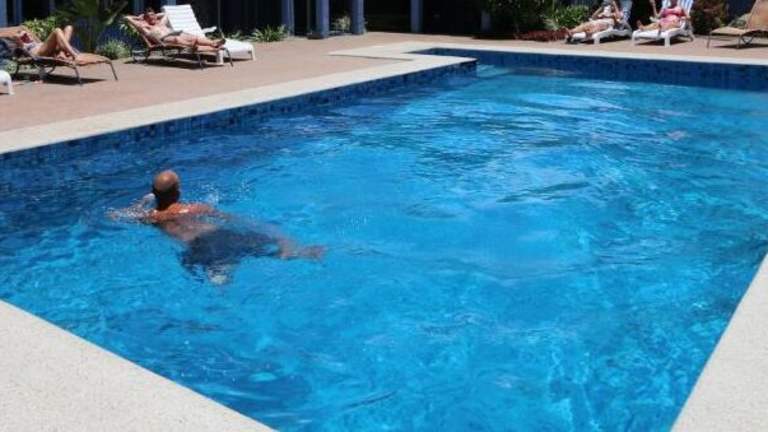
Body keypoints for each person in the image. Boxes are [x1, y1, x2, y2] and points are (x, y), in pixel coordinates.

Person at [116, 170, 324, 284]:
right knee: (256, 247)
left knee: (217, 271)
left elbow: (115, 215)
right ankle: (298, 253)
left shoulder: (151, 218)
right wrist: (272, 235)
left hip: (198, 247)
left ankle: (220, 277)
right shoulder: (197, 208)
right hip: (220, 234)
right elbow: (235, 219)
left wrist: (143, 203)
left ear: (153, 192)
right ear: (178, 192)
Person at [128, 8, 225, 49]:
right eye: (150, 16)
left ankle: (213, 43)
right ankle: (191, 46)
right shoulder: (145, 26)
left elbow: (166, 14)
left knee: (194, 37)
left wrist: (155, 15)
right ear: (146, 18)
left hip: (175, 34)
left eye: (153, 15)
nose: (152, 17)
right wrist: (138, 18)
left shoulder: (161, 23)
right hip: (163, 39)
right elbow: (127, 18)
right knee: (176, 39)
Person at [13, 25, 80, 60]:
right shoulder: (24, 45)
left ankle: (61, 53)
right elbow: (15, 37)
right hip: (39, 53)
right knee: (57, 30)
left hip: (49, 50)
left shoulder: (35, 41)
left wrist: (26, 33)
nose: (27, 36)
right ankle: (75, 55)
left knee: (69, 28)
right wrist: (23, 33)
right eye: (25, 36)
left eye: (28, 34)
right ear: (22, 39)